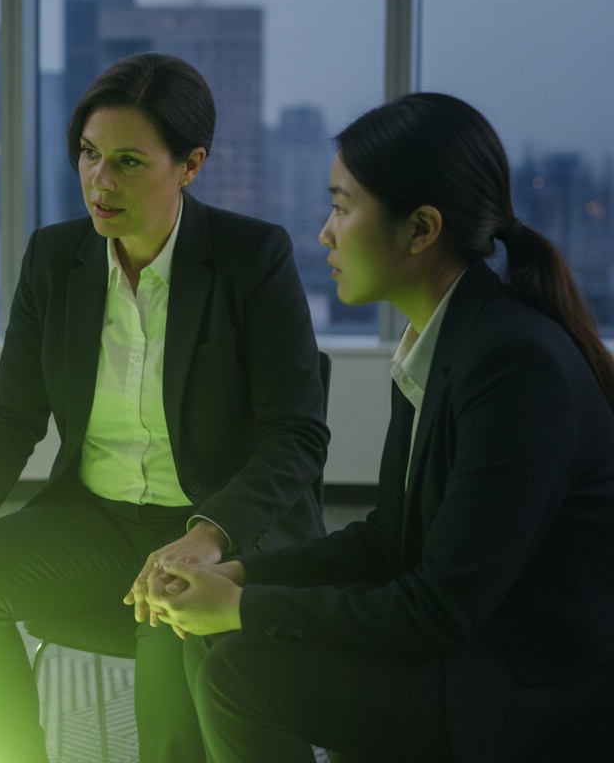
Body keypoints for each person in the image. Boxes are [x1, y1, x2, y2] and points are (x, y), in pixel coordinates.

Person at [151, 92, 614, 763]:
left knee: (242, 670)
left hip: (532, 689)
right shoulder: (448, 339)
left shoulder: (515, 365)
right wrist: (242, 576)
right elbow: (390, 543)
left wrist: (245, 608)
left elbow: (435, 610)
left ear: (421, 229)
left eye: (342, 207)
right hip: (478, 651)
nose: (325, 233)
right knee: (230, 641)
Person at [0, 53, 329, 763]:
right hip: (96, 519)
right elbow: (13, 411)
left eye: (128, 161)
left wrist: (209, 535)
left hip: (211, 528)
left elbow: (295, 435)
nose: (99, 181)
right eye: (88, 154)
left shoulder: (250, 257)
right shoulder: (56, 258)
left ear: (191, 164)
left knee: (169, 688)